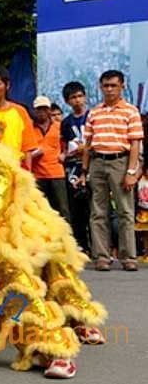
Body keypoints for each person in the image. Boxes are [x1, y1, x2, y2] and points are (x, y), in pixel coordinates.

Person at [77, 70, 144, 271]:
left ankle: (128, 257)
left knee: (124, 211)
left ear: (122, 86)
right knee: (98, 212)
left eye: (113, 85)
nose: (109, 89)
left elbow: (135, 144)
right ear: (100, 87)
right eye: (106, 86)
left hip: (120, 162)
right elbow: (87, 144)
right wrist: (84, 170)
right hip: (97, 162)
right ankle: (102, 256)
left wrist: (132, 172)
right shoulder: (94, 112)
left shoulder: (130, 111)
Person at [0, 65, 37, 169]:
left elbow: (27, 148)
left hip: (13, 170)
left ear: (7, 85)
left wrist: (27, 176)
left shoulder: (20, 112)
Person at [61, 81, 91, 253]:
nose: (77, 100)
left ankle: (102, 246)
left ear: (85, 97)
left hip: (93, 165)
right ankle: (82, 245)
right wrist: (69, 153)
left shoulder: (93, 117)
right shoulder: (66, 123)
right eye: (73, 97)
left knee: (95, 208)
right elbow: (65, 147)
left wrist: (85, 148)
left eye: (80, 96)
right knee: (76, 207)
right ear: (67, 101)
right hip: (73, 168)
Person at [31, 96, 70, 222]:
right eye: (38, 109)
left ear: (49, 110)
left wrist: (64, 154)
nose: (41, 112)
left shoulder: (60, 126)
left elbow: (71, 143)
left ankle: (67, 239)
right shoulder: (29, 128)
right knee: (39, 211)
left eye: (44, 108)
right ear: (34, 111)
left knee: (62, 209)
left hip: (56, 173)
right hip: (37, 175)